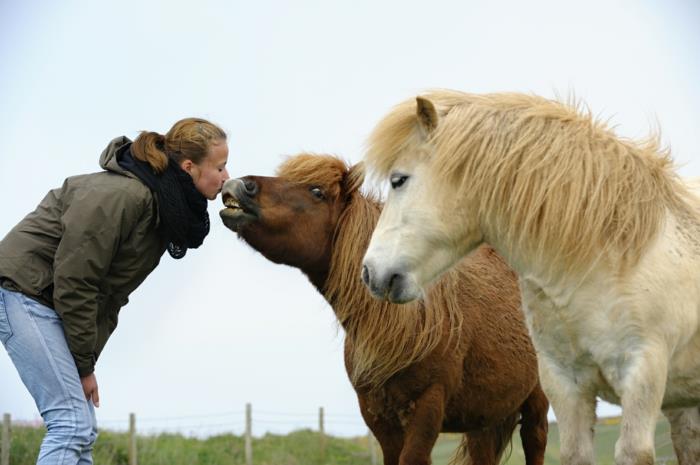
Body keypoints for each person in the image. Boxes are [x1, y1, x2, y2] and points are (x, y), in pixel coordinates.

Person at [0, 117, 229, 464]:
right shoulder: (125, 195)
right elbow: (76, 279)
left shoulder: (161, 210)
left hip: (48, 302)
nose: (227, 177)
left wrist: (85, 362)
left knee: (83, 428)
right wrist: (82, 365)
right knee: (71, 423)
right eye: (221, 166)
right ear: (189, 167)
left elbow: (109, 298)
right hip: (22, 291)